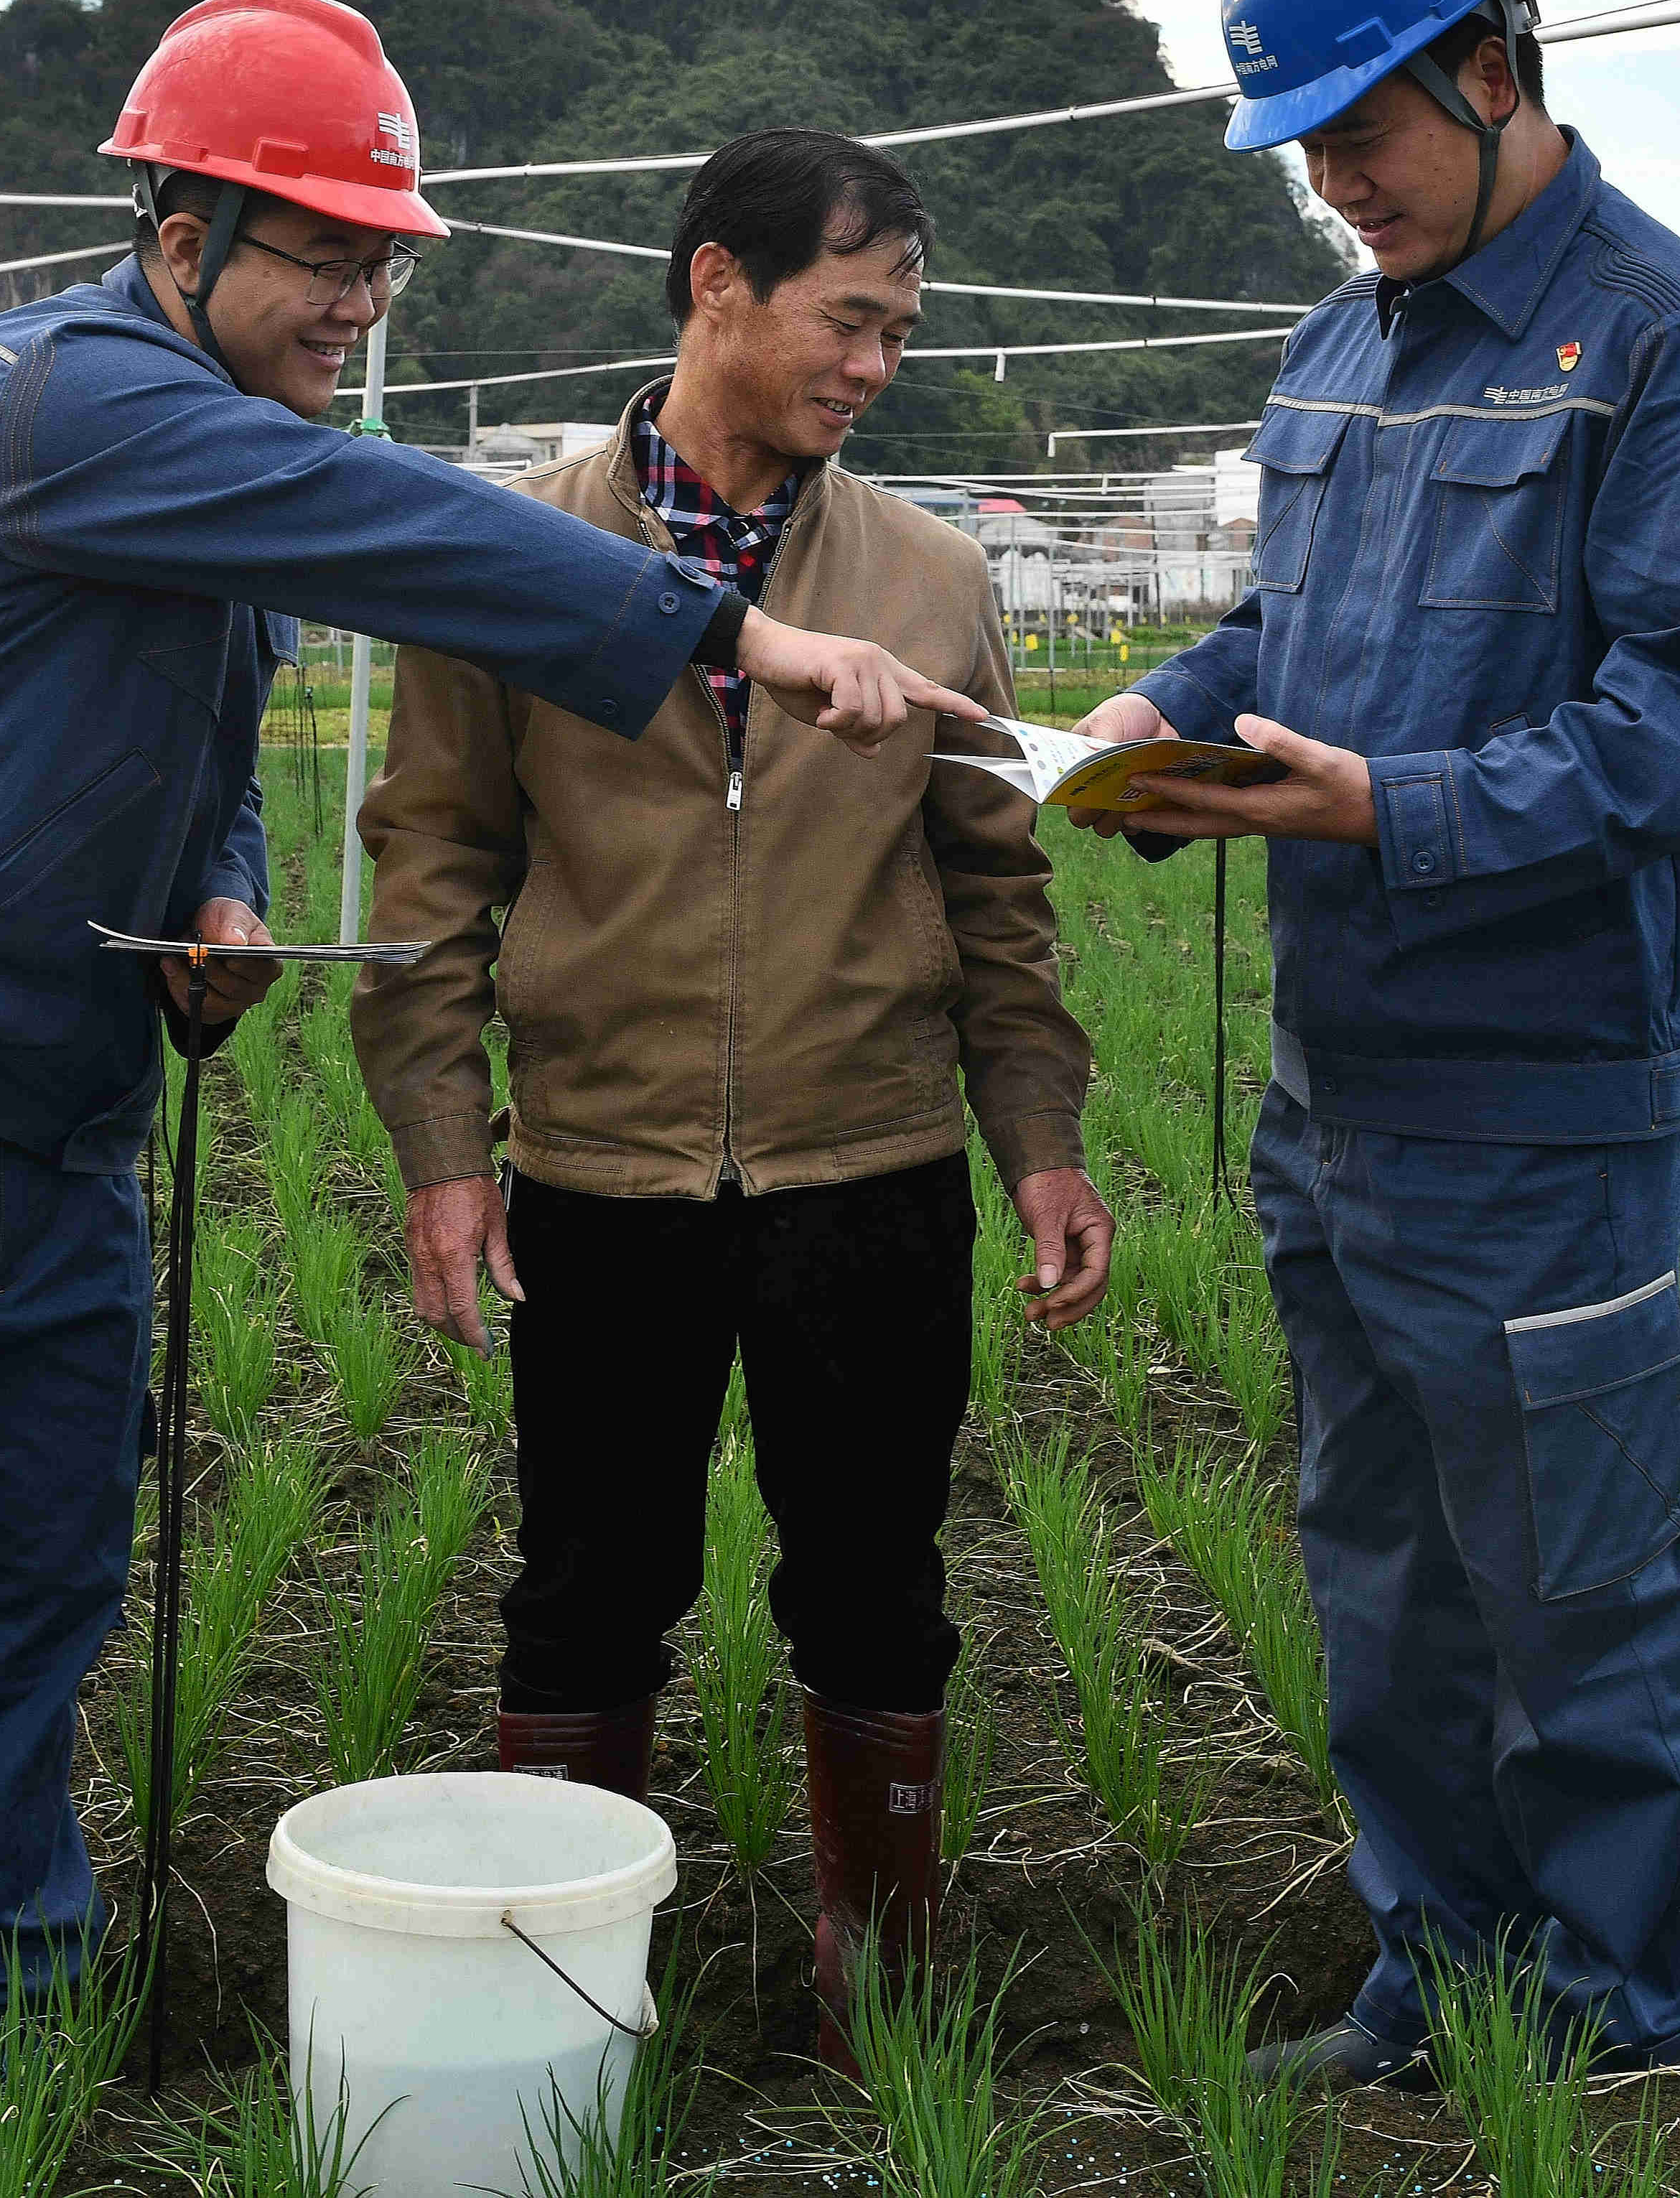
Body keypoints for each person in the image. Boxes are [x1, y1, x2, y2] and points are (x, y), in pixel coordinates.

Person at [0, 0, 977, 2108]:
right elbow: (402, 528)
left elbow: (199, 757)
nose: (361, 307)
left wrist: (219, 893)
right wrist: (733, 627)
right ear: (181, 233)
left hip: (57, 1115)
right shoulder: (63, 394)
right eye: (326, 258)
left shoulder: (217, 456)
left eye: (385, 268)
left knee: (23, 1579)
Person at [1071, 0, 1680, 2080]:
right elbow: (1290, 633)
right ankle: (1445, 1984)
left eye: (1364, 132)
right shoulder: (1338, 344)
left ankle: (1625, 2028)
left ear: (1496, 69)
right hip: (1339, 1093)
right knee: (1382, 1580)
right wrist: (1163, 713)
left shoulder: (1669, 348)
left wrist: (1387, 809)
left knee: (1574, 1593)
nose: (1336, 188)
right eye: (1303, 149)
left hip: (1542, 1106)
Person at [350, 129, 1114, 2074]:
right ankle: (546, 2009)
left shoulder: (932, 578)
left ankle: (882, 1985)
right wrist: (444, 1153)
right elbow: (433, 870)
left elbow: (995, 884)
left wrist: (1038, 1142)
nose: (875, 365)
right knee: (587, 1591)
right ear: (716, 285)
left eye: (899, 333)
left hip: (870, 1168)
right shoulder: (514, 560)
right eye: (848, 320)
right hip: (599, 1173)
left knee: (876, 1586)